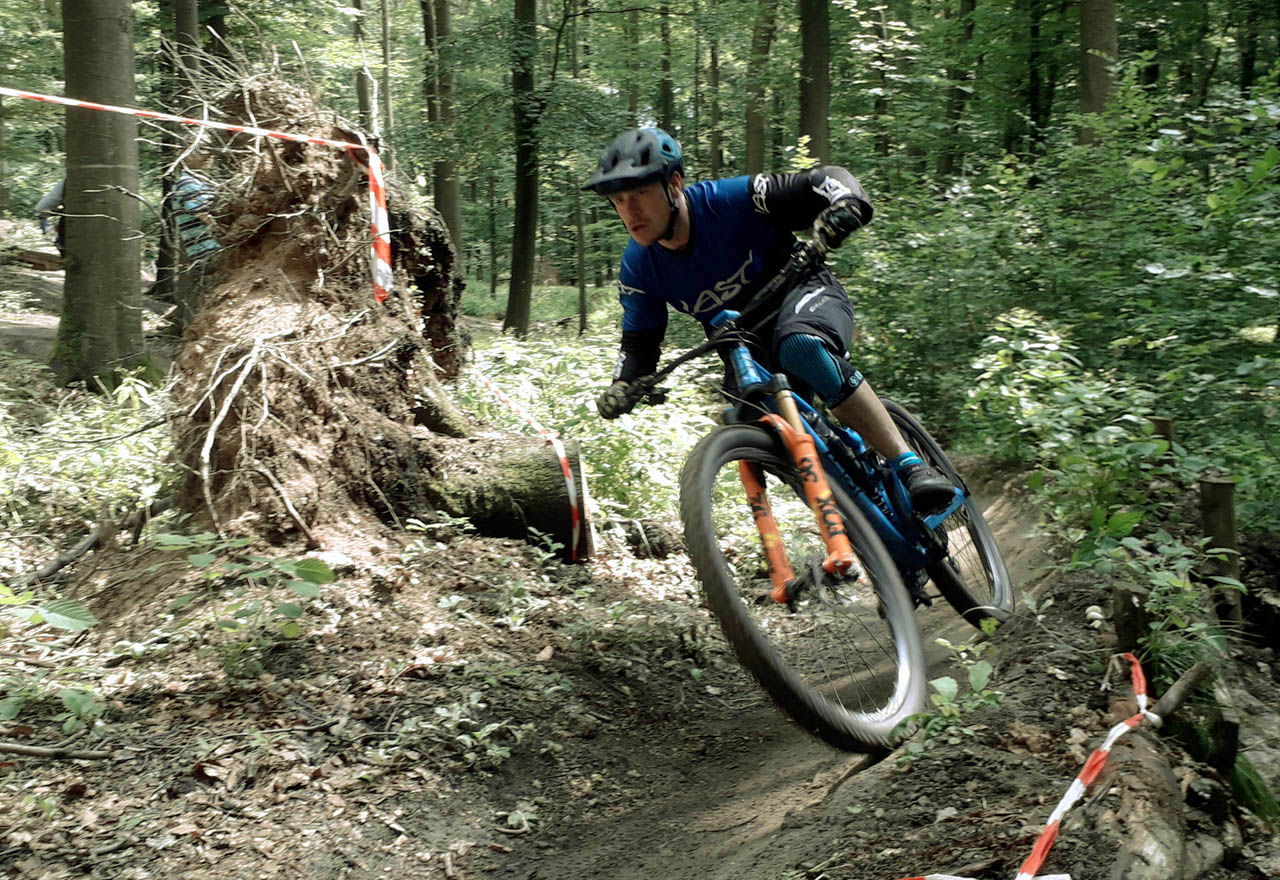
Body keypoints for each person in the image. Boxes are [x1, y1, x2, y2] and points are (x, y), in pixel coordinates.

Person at [582, 127, 955, 514]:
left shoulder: (726, 201)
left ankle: (909, 465)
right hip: (744, 342)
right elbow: (640, 344)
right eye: (618, 200)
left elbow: (824, 181)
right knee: (751, 429)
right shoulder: (639, 267)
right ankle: (855, 526)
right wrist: (623, 385)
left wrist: (845, 203)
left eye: (640, 193)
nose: (629, 211)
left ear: (674, 184)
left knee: (800, 347)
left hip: (804, 292)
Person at [35, 179, 66, 256]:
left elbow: (41, 208)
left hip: (69, 231)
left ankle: (46, 235)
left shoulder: (67, 182)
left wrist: (62, 211)